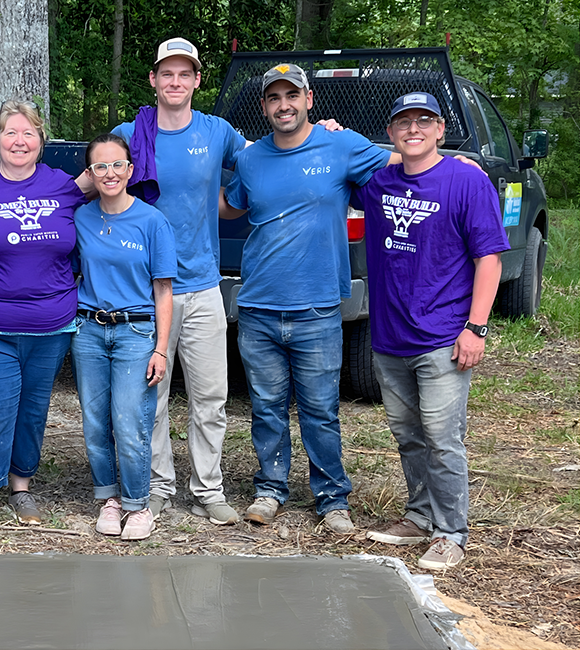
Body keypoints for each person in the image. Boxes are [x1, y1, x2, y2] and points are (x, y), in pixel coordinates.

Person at [220, 64, 394, 533]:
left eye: (291, 95)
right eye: (273, 97)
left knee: (320, 409)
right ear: (264, 107)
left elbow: (400, 164)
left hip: (316, 307)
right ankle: (270, 490)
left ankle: (332, 498)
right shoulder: (252, 158)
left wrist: (453, 163)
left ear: (309, 99)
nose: (283, 105)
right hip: (257, 306)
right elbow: (230, 203)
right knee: (267, 406)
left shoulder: (341, 146)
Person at [357, 93, 508, 569]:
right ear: (392, 132)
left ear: (441, 129)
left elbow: (490, 259)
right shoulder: (378, 183)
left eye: (425, 121)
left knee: (443, 438)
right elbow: (334, 162)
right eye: (404, 121)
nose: (414, 128)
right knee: (409, 435)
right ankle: (420, 515)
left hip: (443, 336)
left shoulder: (466, 181)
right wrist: (336, 132)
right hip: (389, 338)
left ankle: (451, 533)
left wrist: (476, 327)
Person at [100, 38, 246, 525]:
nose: (175, 82)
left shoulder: (218, 131)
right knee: (151, 396)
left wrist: (324, 132)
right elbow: (95, 180)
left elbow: (265, 159)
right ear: (154, 80)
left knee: (210, 395)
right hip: (144, 289)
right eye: (167, 74)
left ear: (197, 80)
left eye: (185, 74)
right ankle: (157, 484)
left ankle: (208, 488)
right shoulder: (130, 133)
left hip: (202, 284)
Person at [0, 100, 87, 547]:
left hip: (51, 323)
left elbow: (119, 168)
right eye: (10, 133)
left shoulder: (65, 186)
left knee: (32, 409)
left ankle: (21, 486)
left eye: (28, 133)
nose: (19, 141)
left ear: (41, 140)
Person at [72, 133, 176, 541]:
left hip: (136, 331)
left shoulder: (152, 221)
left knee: (130, 419)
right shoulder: (80, 217)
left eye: (117, 164)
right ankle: (108, 499)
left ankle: (138, 504)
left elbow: (163, 290)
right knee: (95, 420)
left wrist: (161, 349)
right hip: (88, 329)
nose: (110, 173)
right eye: (100, 166)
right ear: (91, 173)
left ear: (131, 170)